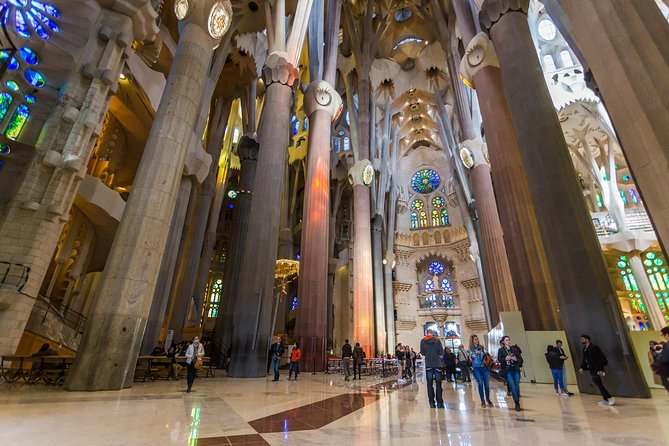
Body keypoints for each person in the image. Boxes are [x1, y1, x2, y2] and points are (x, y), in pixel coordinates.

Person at [578, 334, 614, 406]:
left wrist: (601, 369)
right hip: (591, 369)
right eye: (581, 339)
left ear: (587, 340)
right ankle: (605, 399)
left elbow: (599, 358)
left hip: (596, 368)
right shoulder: (585, 349)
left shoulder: (594, 348)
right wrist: (582, 367)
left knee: (598, 383)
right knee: (598, 384)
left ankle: (609, 397)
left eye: (583, 339)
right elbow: (585, 360)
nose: (581, 340)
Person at [497, 335, 523, 411]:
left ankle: (517, 399)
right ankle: (517, 403)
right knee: (512, 385)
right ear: (503, 342)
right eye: (506, 340)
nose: (508, 341)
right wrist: (505, 358)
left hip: (515, 369)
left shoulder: (515, 350)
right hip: (507, 370)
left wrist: (515, 359)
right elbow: (499, 359)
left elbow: (521, 360)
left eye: (509, 340)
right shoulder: (501, 350)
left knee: (517, 385)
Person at [420, 329, 445, 408]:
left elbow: (422, 353)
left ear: (426, 333)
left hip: (429, 364)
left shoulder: (423, 341)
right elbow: (441, 352)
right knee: (438, 384)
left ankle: (431, 402)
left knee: (429, 384)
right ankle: (440, 402)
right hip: (437, 364)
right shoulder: (437, 340)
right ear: (433, 333)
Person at [468, 334, 492, 407]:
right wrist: (476, 353)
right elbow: (471, 358)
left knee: (487, 385)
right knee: (480, 383)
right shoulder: (470, 350)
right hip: (476, 368)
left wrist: (488, 356)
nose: (477, 340)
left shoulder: (482, 347)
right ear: (472, 341)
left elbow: (486, 355)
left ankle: (488, 399)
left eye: (477, 339)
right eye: (475, 339)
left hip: (484, 367)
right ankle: (482, 400)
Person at [650, 326, 669, 395]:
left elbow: (664, 359)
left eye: (664, 335)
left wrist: (656, 355)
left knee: (658, 368)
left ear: (667, 335)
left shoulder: (667, 345)